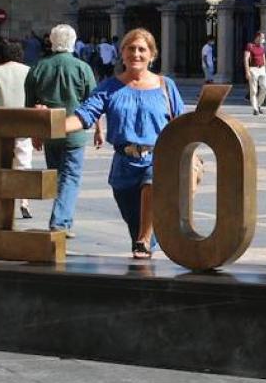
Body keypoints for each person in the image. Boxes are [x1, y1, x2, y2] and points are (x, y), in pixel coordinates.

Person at [65, 28, 184, 260]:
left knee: (152, 185)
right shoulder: (110, 87)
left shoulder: (166, 86)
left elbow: (181, 125)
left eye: (142, 49)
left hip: (159, 159)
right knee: (137, 228)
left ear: (152, 55)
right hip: (124, 167)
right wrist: (51, 124)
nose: (136, 54)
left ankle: (145, 240)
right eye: (131, 49)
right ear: (122, 53)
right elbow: (84, 115)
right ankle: (144, 253)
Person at [26, 24, 100, 237]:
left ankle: (62, 218)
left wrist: (35, 134)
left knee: (58, 176)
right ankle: (60, 221)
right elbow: (94, 103)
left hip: (50, 132)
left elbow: (30, 105)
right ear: (73, 42)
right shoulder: (82, 68)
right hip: (74, 133)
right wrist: (99, 129)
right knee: (70, 177)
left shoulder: (38, 67)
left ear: (51, 41)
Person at [0, 40, 34, 219]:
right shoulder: (29, 71)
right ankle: (24, 200)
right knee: (23, 163)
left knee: (1, 165)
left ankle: (2, 201)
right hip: (24, 123)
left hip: (1, 125)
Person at [244, 31, 266, 116]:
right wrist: (247, 71)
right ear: (257, 37)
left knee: (265, 88)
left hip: (262, 69)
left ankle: (258, 104)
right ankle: (255, 109)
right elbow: (246, 59)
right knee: (254, 90)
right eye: (262, 38)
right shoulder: (250, 46)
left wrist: (265, 69)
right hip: (253, 69)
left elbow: (264, 58)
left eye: (264, 38)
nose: (263, 39)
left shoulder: (262, 47)